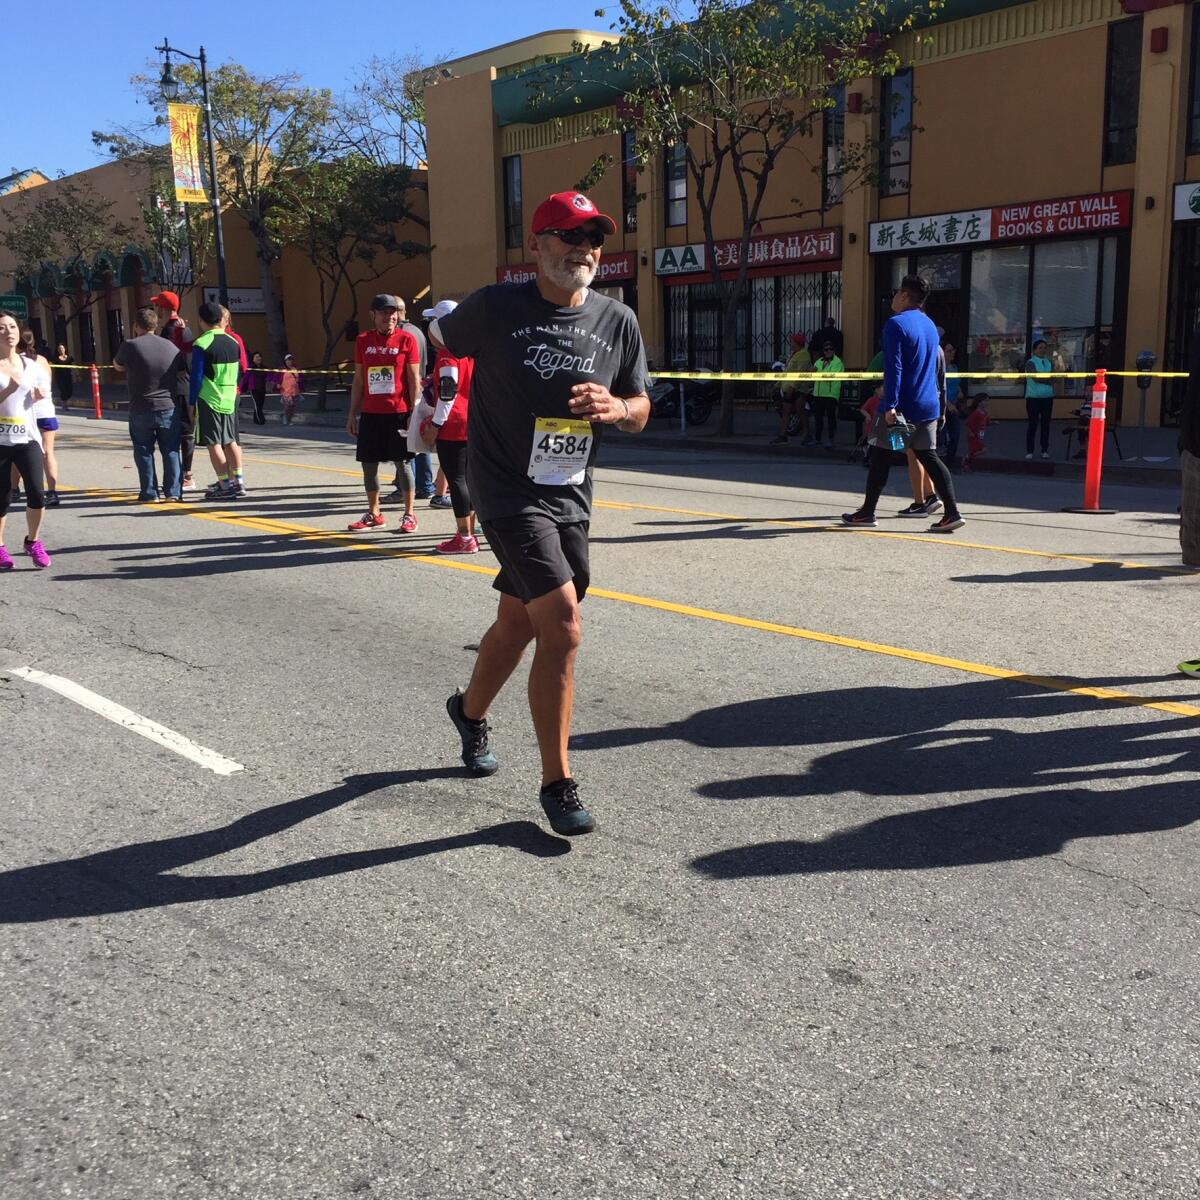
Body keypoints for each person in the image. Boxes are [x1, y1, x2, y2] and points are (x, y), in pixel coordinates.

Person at [431, 189, 651, 836]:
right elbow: (438, 335)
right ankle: (557, 783)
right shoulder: (497, 307)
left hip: (570, 494)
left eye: (594, 238)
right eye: (568, 235)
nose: (583, 248)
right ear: (536, 245)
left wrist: (617, 410)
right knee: (563, 622)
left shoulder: (617, 319)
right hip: (505, 490)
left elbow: (641, 403)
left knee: (519, 621)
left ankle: (469, 714)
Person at [842, 274, 964, 533]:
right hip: (928, 407)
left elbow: (893, 367)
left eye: (897, 293)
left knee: (880, 456)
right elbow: (939, 370)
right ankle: (951, 512)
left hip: (902, 409)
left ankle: (867, 512)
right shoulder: (930, 326)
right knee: (927, 455)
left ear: (905, 296)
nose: (894, 297)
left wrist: (890, 405)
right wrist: (941, 407)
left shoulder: (895, 324)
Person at [346, 294, 420, 532]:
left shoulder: (406, 339)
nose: (390, 317)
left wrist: (414, 411)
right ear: (373, 315)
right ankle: (374, 512)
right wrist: (352, 414)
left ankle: (409, 514)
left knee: (403, 464)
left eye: (393, 313)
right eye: (384, 313)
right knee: (369, 465)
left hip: (398, 411)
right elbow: (358, 380)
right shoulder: (362, 340)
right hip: (371, 413)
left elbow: (413, 378)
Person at [418, 299, 478, 554]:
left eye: (433, 322)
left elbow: (448, 393)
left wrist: (436, 424)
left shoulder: (447, 355)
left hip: (453, 424)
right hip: (473, 419)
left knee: (457, 480)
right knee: (468, 479)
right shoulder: (470, 350)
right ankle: (469, 533)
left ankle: (464, 537)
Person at [113, 306, 187, 502]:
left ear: (136, 326)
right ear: (155, 325)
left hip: (141, 406)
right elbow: (181, 371)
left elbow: (118, 365)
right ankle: (173, 492)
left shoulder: (130, 345)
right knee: (170, 450)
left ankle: (149, 492)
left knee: (143, 450)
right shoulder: (171, 347)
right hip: (168, 406)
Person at [0, 310, 52, 569]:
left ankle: (33, 541)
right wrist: (7, 389)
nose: (8, 332)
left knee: (36, 492)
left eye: (12, 326)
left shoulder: (30, 365)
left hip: (27, 437)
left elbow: (35, 398)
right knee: (2, 497)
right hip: (0, 441)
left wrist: (40, 395)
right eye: (2, 328)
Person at [188, 302, 246, 499]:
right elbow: (240, 371)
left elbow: (195, 377)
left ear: (201, 321)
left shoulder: (201, 343)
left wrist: (191, 402)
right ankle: (238, 481)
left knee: (214, 442)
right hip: (230, 397)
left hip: (209, 397)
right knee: (231, 440)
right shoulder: (234, 342)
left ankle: (224, 484)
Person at [151, 290, 196, 491]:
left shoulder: (172, 330)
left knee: (180, 432)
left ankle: (185, 475)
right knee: (182, 432)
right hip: (181, 386)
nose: (155, 309)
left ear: (165, 308)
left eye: (157, 306)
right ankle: (183, 474)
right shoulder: (180, 328)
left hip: (178, 387)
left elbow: (177, 360)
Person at [14, 331, 60, 507]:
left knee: (17, 452)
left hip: (26, 413)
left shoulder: (17, 361)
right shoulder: (42, 360)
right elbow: (48, 383)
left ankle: (14, 490)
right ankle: (52, 492)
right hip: (46, 412)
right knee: (48, 453)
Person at [396, 298, 434, 500]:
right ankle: (425, 485)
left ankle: (403, 488)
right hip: (420, 389)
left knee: (406, 444)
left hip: (407, 392)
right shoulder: (418, 331)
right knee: (419, 440)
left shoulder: (402, 334)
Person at [771, 333, 811, 445]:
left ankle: (807, 435)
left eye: (792, 341)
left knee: (801, 411)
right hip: (788, 387)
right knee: (786, 411)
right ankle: (783, 435)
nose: (790, 343)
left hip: (797, 389)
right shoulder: (793, 354)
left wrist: (793, 387)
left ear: (797, 343)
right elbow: (787, 372)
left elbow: (801, 372)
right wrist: (777, 384)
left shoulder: (804, 355)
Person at [809, 342, 843, 449]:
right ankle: (817, 439)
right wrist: (811, 372)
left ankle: (831, 440)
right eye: (826, 349)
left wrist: (817, 372)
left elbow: (831, 376)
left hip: (830, 394)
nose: (828, 351)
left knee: (831, 418)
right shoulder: (819, 361)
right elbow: (813, 375)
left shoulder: (838, 362)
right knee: (818, 418)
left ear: (834, 350)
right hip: (818, 393)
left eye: (830, 349)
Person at [1024, 339, 1054, 460]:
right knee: (1033, 424)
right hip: (1033, 398)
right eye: (1040, 348)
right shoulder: (1030, 363)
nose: (1043, 350)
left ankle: (1044, 450)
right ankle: (1030, 451)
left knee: (1046, 425)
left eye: (1044, 347)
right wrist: (1048, 379)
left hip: (1048, 397)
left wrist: (1046, 379)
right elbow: (1035, 377)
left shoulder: (1049, 362)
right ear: (1034, 350)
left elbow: (1054, 378)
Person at [963, 393, 991, 471]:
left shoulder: (984, 412)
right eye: (985, 401)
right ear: (979, 402)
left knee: (975, 451)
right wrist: (970, 432)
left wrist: (993, 423)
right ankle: (967, 458)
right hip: (974, 436)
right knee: (983, 450)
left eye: (988, 401)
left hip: (980, 435)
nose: (987, 403)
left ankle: (967, 464)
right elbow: (967, 423)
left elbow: (987, 422)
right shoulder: (975, 413)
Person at [245, 352, 268, 425]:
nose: (259, 358)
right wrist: (243, 388)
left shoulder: (264, 368)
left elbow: (269, 376)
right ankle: (261, 420)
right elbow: (246, 379)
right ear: (253, 359)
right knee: (257, 404)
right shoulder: (251, 368)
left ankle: (255, 419)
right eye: (256, 357)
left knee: (260, 405)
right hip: (254, 389)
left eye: (259, 356)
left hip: (262, 388)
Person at [279, 354, 302, 424]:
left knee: (292, 407)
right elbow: (277, 378)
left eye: (291, 359)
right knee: (287, 406)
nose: (290, 361)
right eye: (288, 360)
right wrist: (278, 384)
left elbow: (299, 378)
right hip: (286, 391)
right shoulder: (282, 369)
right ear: (285, 361)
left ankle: (289, 419)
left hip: (295, 391)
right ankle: (286, 418)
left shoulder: (295, 369)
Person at [53, 344, 74, 409]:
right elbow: (51, 366)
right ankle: (64, 404)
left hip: (68, 376)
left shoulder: (70, 358)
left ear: (65, 349)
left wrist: (77, 374)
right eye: (59, 349)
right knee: (63, 390)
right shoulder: (55, 359)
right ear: (57, 350)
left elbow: (74, 366)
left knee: (69, 391)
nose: (61, 350)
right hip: (60, 377)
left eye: (62, 348)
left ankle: (65, 401)